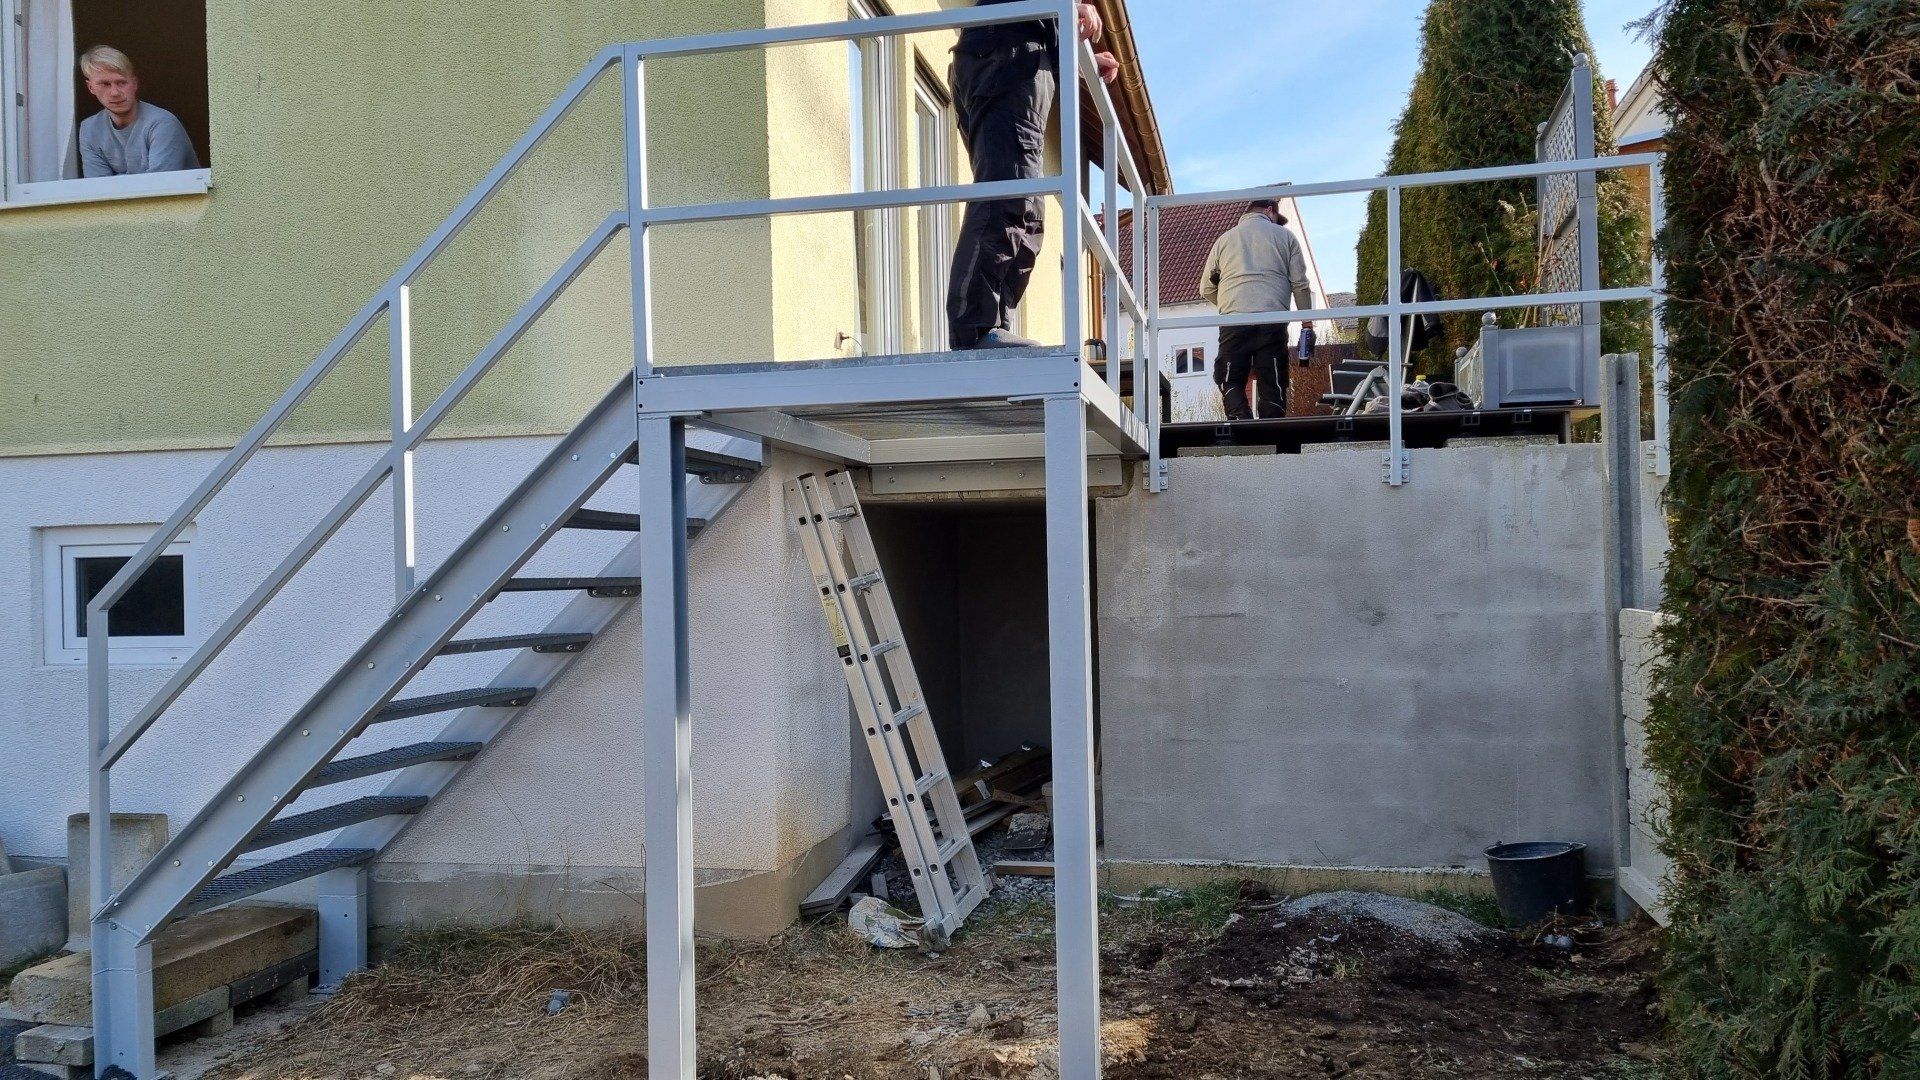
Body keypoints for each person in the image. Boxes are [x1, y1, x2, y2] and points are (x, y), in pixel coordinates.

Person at [947, 1, 1118, 350]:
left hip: (1014, 64)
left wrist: (1079, 63)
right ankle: (974, 329)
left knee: (1029, 216)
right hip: (1003, 61)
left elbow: (1041, 27)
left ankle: (995, 324)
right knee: (1007, 198)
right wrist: (1069, 6)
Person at [1199, 199, 1313, 420]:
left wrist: (1230, 305)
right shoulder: (1286, 237)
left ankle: (1240, 421)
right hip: (1272, 320)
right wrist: (1307, 323)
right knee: (1273, 380)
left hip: (1234, 322)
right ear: (1270, 211)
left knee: (1229, 378)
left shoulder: (1223, 240)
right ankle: (1272, 430)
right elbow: (1300, 284)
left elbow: (1206, 288)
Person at [77, 46, 201, 178]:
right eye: (105, 84)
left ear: (135, 83)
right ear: (90, 87)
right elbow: (98, 186)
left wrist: (117, 179)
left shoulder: (162, 123)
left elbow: (160, 184)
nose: (114, 92)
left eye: (121, 82)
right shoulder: (90, 128)